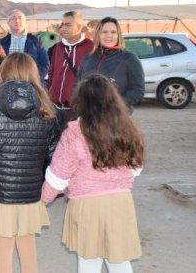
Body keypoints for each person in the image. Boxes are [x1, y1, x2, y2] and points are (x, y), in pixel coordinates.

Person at [42, 73, 145, 273]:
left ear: (81, 101)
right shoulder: (128, 127)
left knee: (89, 262)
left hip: (86, 205)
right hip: (120, 202)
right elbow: (136, 167)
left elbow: (58, 176)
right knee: (119, 260)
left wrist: (42, 200)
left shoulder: (74, 132)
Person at [0, 52, 59, 273]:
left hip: (1, 190)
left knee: (3, 252)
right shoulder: (46, 108)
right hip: (31, 192)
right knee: (28, 249)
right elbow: (53, 155)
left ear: (3, 72)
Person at [76, 17, 145, 112]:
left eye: (113, 32)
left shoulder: (129, 58)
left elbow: (138, 91)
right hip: (88, 117)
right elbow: (77, 86)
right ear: (98, 34)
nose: (109, 35)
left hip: (116, 118)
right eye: (104, 32)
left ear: (118, 35)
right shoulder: (87, 58)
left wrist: (114, 106)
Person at [47, 11, 94, 131]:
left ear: (79, 27)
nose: (63, 28)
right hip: (56, 108)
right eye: (62, 24)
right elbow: (52, 71)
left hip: (77, 110)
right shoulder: (58, 47)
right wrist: (51, 92)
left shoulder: (91, 47)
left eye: (68, 25)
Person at [0, 9, 50, 79]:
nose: (17, 21)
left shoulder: (36, 41)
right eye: (13, 18)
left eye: (20, 18)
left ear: (25, 21)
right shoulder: (1, 43)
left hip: (31, 84)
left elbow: (45, 64)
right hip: (8, 83)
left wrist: (35, 79)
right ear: (8, 23)